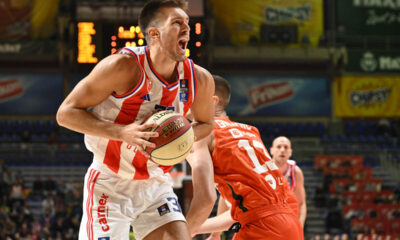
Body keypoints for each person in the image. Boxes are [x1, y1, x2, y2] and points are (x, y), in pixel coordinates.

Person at [56, 0, 215, 239]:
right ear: (154, 33)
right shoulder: (123, 66)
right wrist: (121, 133)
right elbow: (65, 113)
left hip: (156, 183)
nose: (187, 29)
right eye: (177, 23)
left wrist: (177, 135)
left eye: (187, 23)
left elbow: (206, 124)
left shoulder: (199, 79)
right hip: (110, 183)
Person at [186, 75, 303, 240]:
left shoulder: (202, 133)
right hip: (289, 223)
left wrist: (180, 233)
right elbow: (245, 211)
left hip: (263, 227)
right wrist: (200, 230)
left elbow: (206, 198)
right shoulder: (250, 131)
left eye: (189, 96)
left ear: (212, 101)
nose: (183, 102)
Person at [270, 136, 307, 226]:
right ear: (271, 151)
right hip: (268, 218)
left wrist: (299, 227)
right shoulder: (262, 169)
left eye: (286, 147)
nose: (282, 150)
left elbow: (301, 203)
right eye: (279, 147)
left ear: (290, 152)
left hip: (288, 219)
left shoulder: (296, 172)